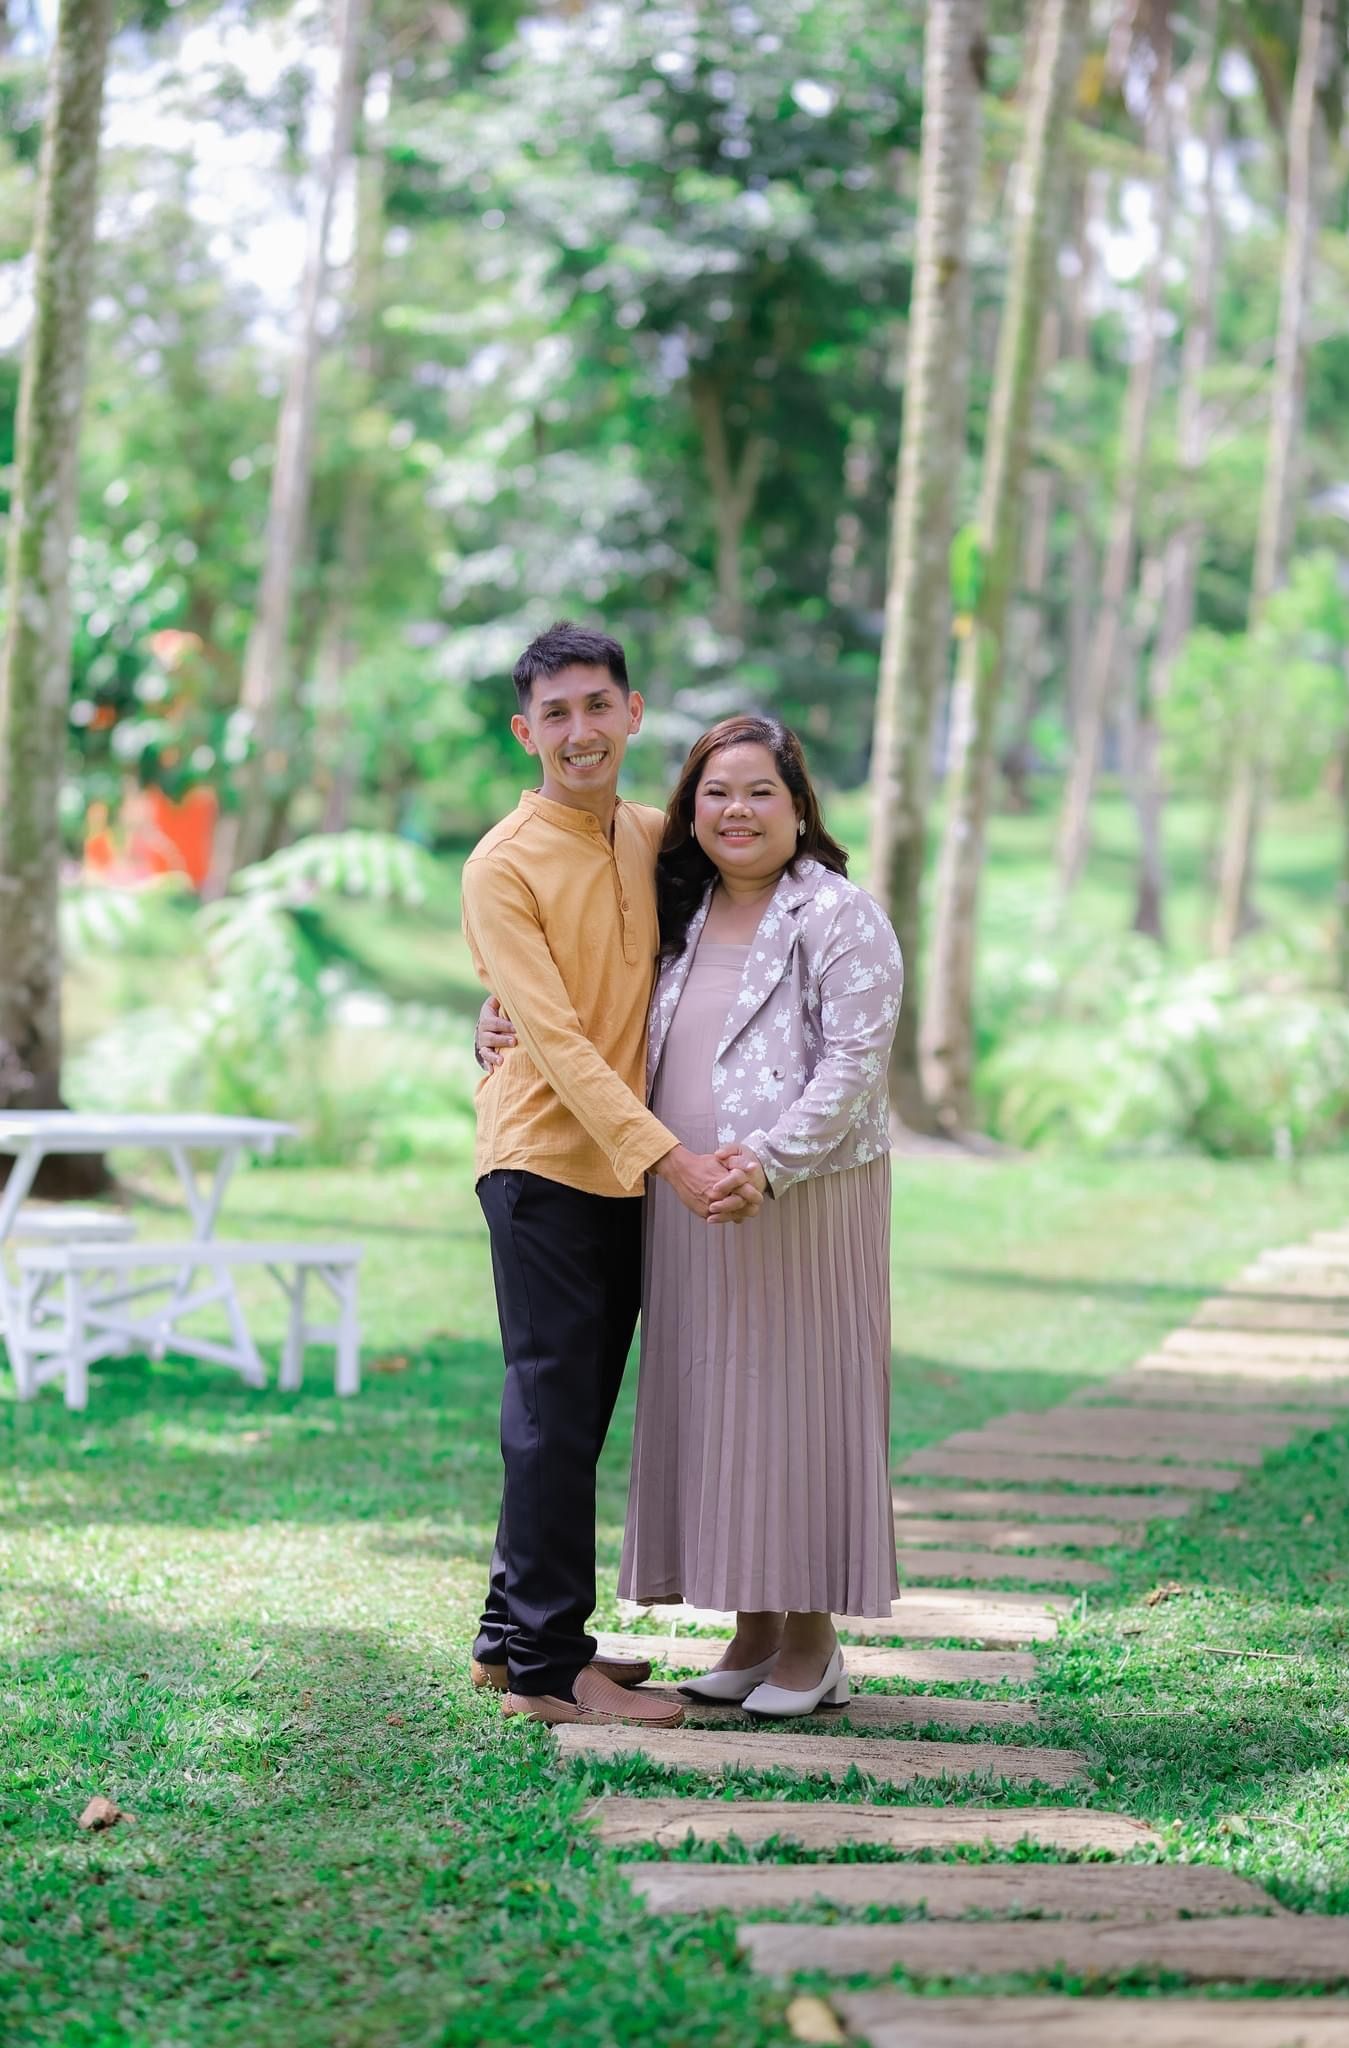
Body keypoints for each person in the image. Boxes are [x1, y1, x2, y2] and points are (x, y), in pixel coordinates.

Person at [479, 713, 903, 1718]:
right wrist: (493, 1010)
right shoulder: (680, 902)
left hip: (799, 1201)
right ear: (690, 810)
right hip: (686, 1202)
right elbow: (582, 987)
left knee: (796, 1403)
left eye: (760, 791)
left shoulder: (840, 913)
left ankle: (812, 1642)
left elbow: (855, 1065)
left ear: (798, 805)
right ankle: (753, 1634)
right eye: (716, 792)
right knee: (727, 1408)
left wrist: (768, 1162)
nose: (736, 811)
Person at [460, 623, 761, 1731]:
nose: (579, 731)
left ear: (633, 713)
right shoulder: (502, 863)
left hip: (619, 1170)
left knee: (569, 1415)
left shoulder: (651, 836)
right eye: (556, 714)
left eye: (597, 705)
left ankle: (506, 1639)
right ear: (524, 731)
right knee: (550, 1411)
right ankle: (550, 1668)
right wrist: (671, 1157)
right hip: (542, 1161)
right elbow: (553, 1037)